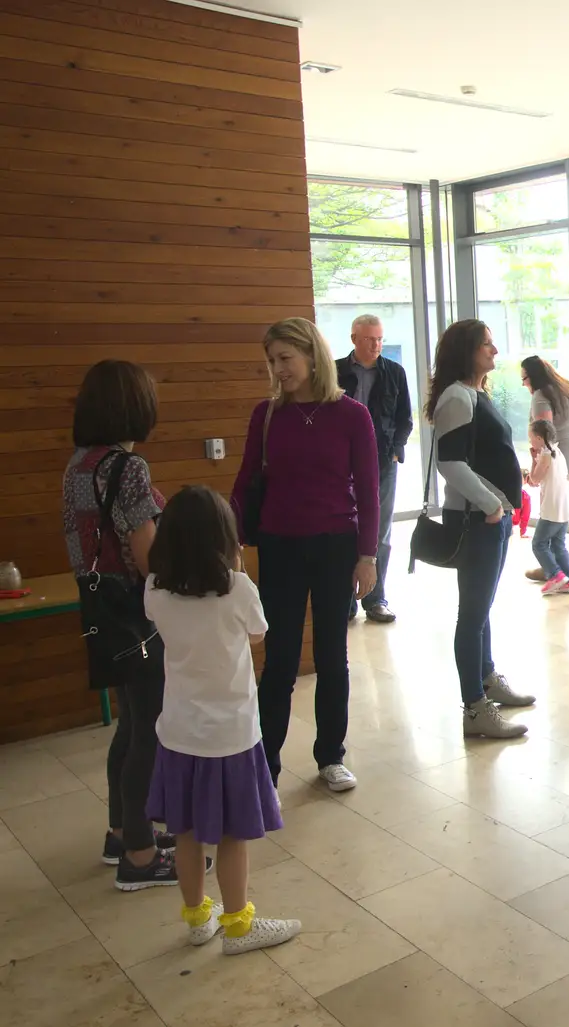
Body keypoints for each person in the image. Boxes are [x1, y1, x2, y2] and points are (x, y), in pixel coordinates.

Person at [143, 486, 300, 954]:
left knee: (186, 832)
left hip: (178, 732)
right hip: (230, 735)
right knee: (233, 834)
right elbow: (257, 636)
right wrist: (238, 571)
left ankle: (197, 918)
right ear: (225, 538)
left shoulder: (154, 590)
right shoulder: (238, 589)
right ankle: (237, 926)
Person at [230, 318, 378, 794]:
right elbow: (246, 479)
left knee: (334, 656)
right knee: (280, 660)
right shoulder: (266, 415)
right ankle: (265, 761)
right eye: (272, 361)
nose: (278, 370)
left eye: (285, 359)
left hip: (336, 545)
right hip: (280, 544)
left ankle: (330, 756)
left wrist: (368, 555)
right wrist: (227, 537)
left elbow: (370, 492)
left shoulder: (352, 415)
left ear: (312, 356)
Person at [62, 360, 178, 890]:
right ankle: (138, 854)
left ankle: (120, 831)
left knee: (130, 724)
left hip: (99, 608)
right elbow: (147, 555)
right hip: (136, 611)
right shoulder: (127, 467)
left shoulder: (78, 466)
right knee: (150, 728)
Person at [428, 319, 535, 739]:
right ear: (465, 351)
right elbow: (449, 463)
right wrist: (492, 504)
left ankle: (486, 677)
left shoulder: (474, 392)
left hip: (491, 518)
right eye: (485, 345)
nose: (494, 350)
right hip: (476, 519)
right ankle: (474, 707)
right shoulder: (456, 395)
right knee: (472, 613)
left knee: (481, 607)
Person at [335, 314, 412, 624]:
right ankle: (346, 600)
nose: (376, 344)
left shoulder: (394, 372)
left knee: (380, 532)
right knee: (345, 530)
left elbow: (405, 416)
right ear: (354, 339)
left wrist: (396, 449)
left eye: (380, 339)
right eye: (369, 339)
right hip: (341, 463)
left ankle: (375, 598)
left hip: (382, 461)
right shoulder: (335, 371)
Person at [521, 356, 569, 585]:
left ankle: (552, 567)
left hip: (560, 462)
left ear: (534, 376)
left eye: (524, 378)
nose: (523, 384)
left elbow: (545, 432)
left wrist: (537, 460)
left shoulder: (542, 396)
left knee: (553, 514)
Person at [528, 420, 569, 595]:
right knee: (558, 544)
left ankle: (555, 575)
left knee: (538, 544)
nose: (530, 441)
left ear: (539, 438)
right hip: (564, 507)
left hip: (552, 508)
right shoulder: (558, 452)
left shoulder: (546, 454)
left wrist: (533, 460)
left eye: (531, 437)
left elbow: (534, 479)